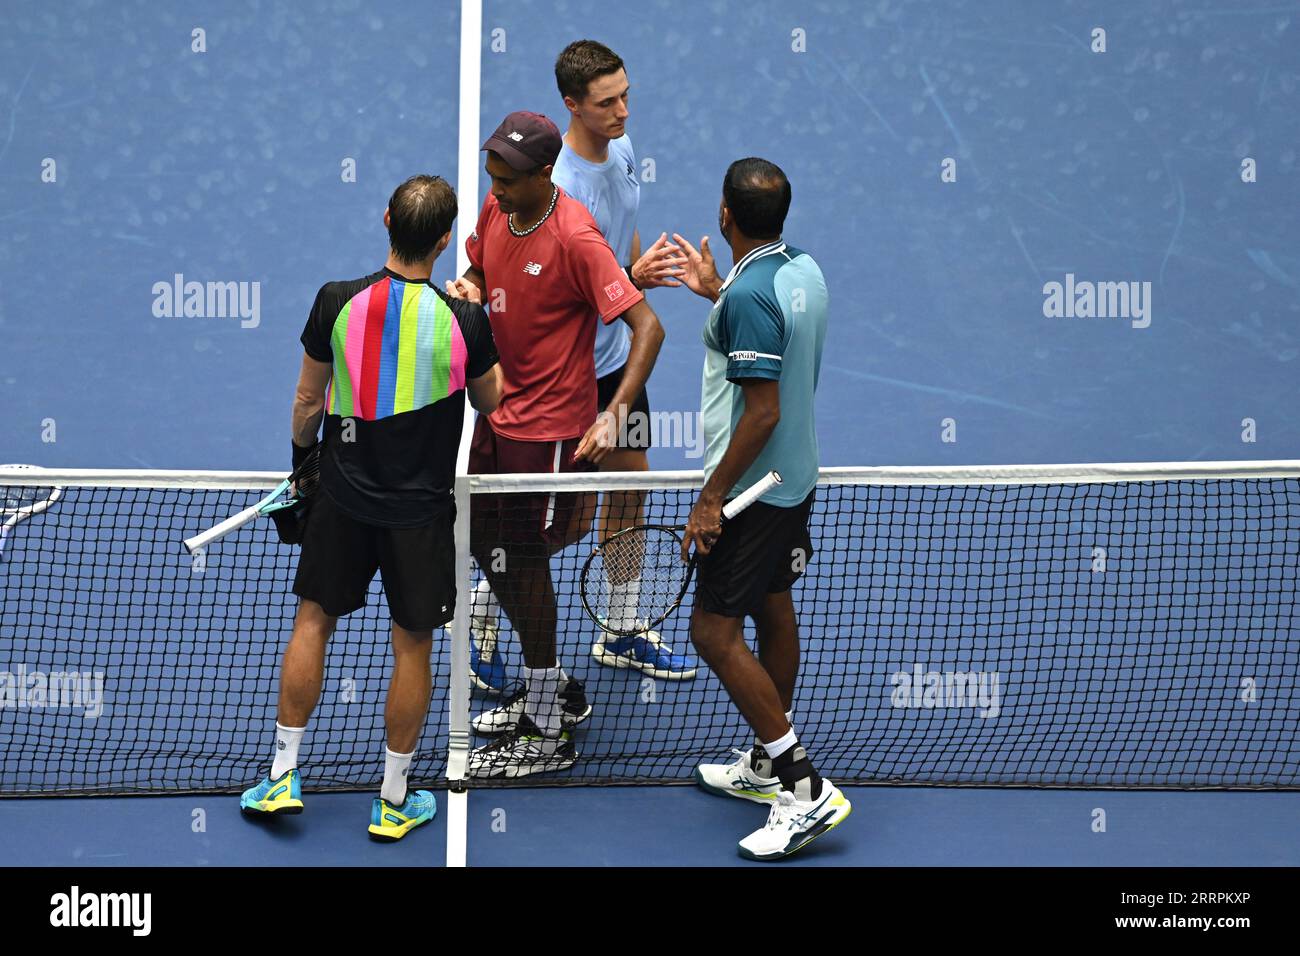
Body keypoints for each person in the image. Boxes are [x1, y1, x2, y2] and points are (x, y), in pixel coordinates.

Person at [238, 175, 502, 840]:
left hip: (345, 501)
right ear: (445, 241)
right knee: (412, 645)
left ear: (386, 219)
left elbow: (307, 405)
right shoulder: (464, 318)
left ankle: (281, 776)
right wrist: (472, 320)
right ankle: (392, 798)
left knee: (313, 621)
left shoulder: (335, 301)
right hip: (420, 515)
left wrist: (302, 467)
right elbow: (492, 401)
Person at [466, 40, 693, 690]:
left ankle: (621, 630)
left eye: (625, 94)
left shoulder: (619, 150)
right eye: (606, 102)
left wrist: (633, 271)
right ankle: (483, 611)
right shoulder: (555, 189)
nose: (622, 110)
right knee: (559, 524)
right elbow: (555, 288)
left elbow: (622, 235)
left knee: (631, 493)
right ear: (572, 105)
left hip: (618, 364)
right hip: (569, 380)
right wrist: (624, 278)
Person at [445, 111, 665, 778]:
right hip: (496, 415)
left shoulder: (577, 238)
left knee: (522, 559)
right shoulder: (497, 207)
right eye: (492, 175)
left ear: (544, 173)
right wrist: (472, 290)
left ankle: (546, 729)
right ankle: (554, 688)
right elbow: (480, 266)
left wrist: (615, 413)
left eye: (507, 179)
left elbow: (647, 326)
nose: (494, 188)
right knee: (488, 545)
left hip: (548, 431)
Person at [675, 158, 850, 860]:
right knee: (773, 607)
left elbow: (760, 409)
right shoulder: (800, 270)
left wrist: (711, 498)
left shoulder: (751, 297)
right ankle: (763, 763)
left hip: (750, 490)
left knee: (713, 635)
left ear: (725, 215)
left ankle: (803, 787)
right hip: (793, 477)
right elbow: (767, 330)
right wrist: (720, 293)